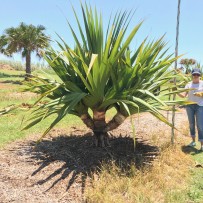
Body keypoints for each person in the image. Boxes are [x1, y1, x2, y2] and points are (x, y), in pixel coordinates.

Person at [178, 68, 203, 151]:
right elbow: (183, 95)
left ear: (200, 75)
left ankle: (202, 144)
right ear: (192, 75)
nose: (196, 76)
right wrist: (176, 91)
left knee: (200, 125)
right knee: (191, 124)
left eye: (198, 74)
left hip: (200, 106)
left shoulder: (202, 84)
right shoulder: (188, 84)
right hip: (190, 106)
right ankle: (193, 142)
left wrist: (201, 94)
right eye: (194, 74)